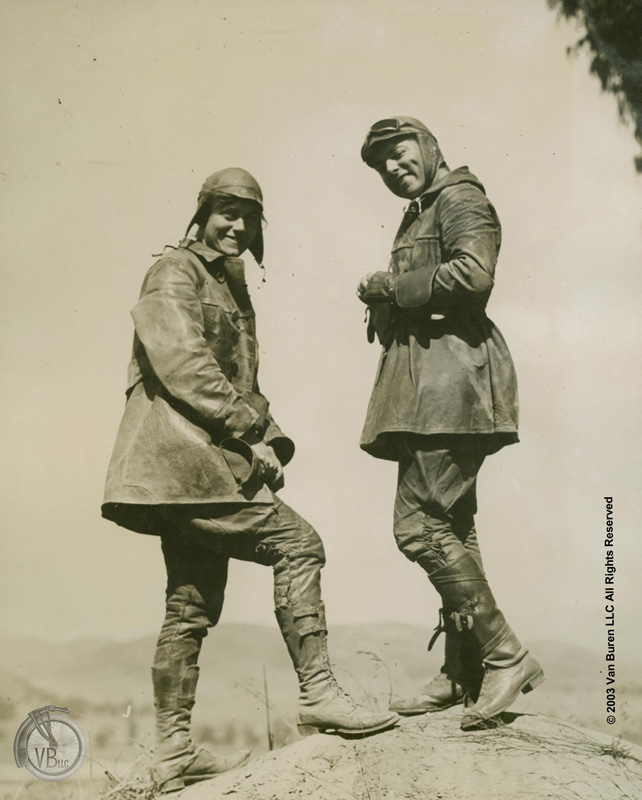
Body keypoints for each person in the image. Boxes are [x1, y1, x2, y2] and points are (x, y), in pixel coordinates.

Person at [102, 167, 399, 792]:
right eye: (225, 212)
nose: (237, 226)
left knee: (190, 604)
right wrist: (248, 432)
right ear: (202, 213)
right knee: (299, 545)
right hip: (187, 467)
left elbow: (241, 384)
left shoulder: (227, 284)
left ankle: (172, 750)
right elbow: (182, 362)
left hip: (194, 470)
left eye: (249, 217)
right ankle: (318, 692)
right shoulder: (176, 271)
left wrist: (269, 436)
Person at [356, 117, 544, 731]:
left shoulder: (461, 198)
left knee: (417, 526)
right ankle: (465, 670)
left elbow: (474, 274)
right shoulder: (421, 209)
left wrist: (391, 285)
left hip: (453, 384)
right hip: (427, 387)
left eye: (399, 151)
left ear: (430, 147)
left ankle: (506, 655)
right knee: (452, 526)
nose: (391, 166)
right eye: (380, 161)